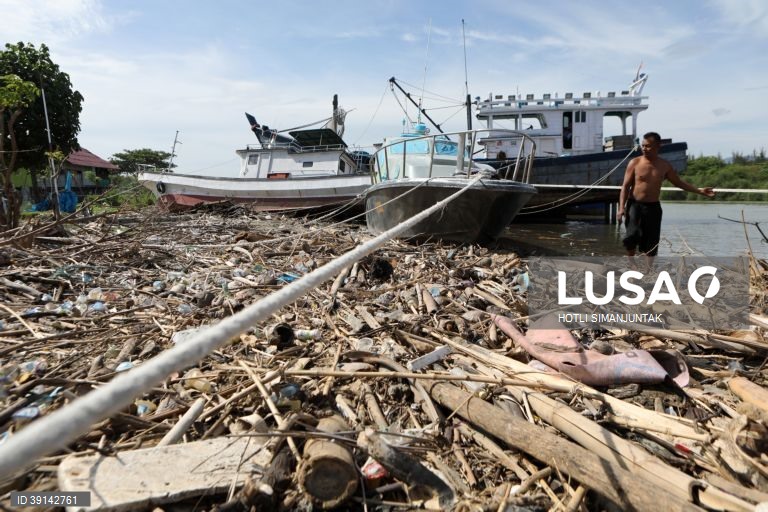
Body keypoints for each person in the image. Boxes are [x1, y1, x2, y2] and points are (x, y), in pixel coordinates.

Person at [618, 132, 715, 260]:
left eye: (648, 146)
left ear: (658, 146)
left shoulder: (664, 166)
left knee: (652, 241)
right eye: (643, 146)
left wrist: (700, 191)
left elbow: (679, 183)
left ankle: (648, 272)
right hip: (635, 204)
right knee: (632, 235)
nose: (644, 148)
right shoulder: (635, 163)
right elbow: (625, 186)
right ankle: (631, 264)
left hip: (653, 207)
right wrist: (621, 208)